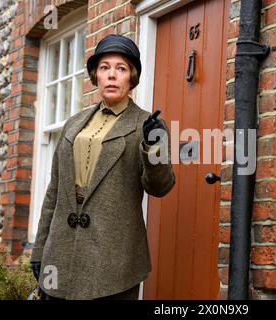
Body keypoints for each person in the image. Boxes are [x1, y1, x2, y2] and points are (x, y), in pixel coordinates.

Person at [30, 34, 175, 300]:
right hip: (61, 256)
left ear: (132, 78)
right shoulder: (73, 124)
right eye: (105, 68)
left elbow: (160, 186)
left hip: (114, 265)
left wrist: (155, 147)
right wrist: (40, 250)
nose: (112, 75)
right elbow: (54, 193)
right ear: (95, 75)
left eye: (121, 69)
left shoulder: (147, 125)